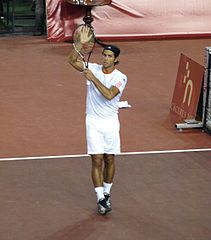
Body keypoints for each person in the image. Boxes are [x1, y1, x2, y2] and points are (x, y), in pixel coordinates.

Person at [68, 26, 127, 215]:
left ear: (116, 59)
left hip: (110, 123)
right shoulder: (92, 67)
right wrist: (79, 44)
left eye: (109, 56)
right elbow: (72, 60)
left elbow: (109, 95)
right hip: (93, 122)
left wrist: (92, 79)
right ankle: (100, 198)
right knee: (97, 159)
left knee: (110, 158)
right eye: (104, 55)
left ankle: (108, 193)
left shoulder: (121, 78)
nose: (105, 58)